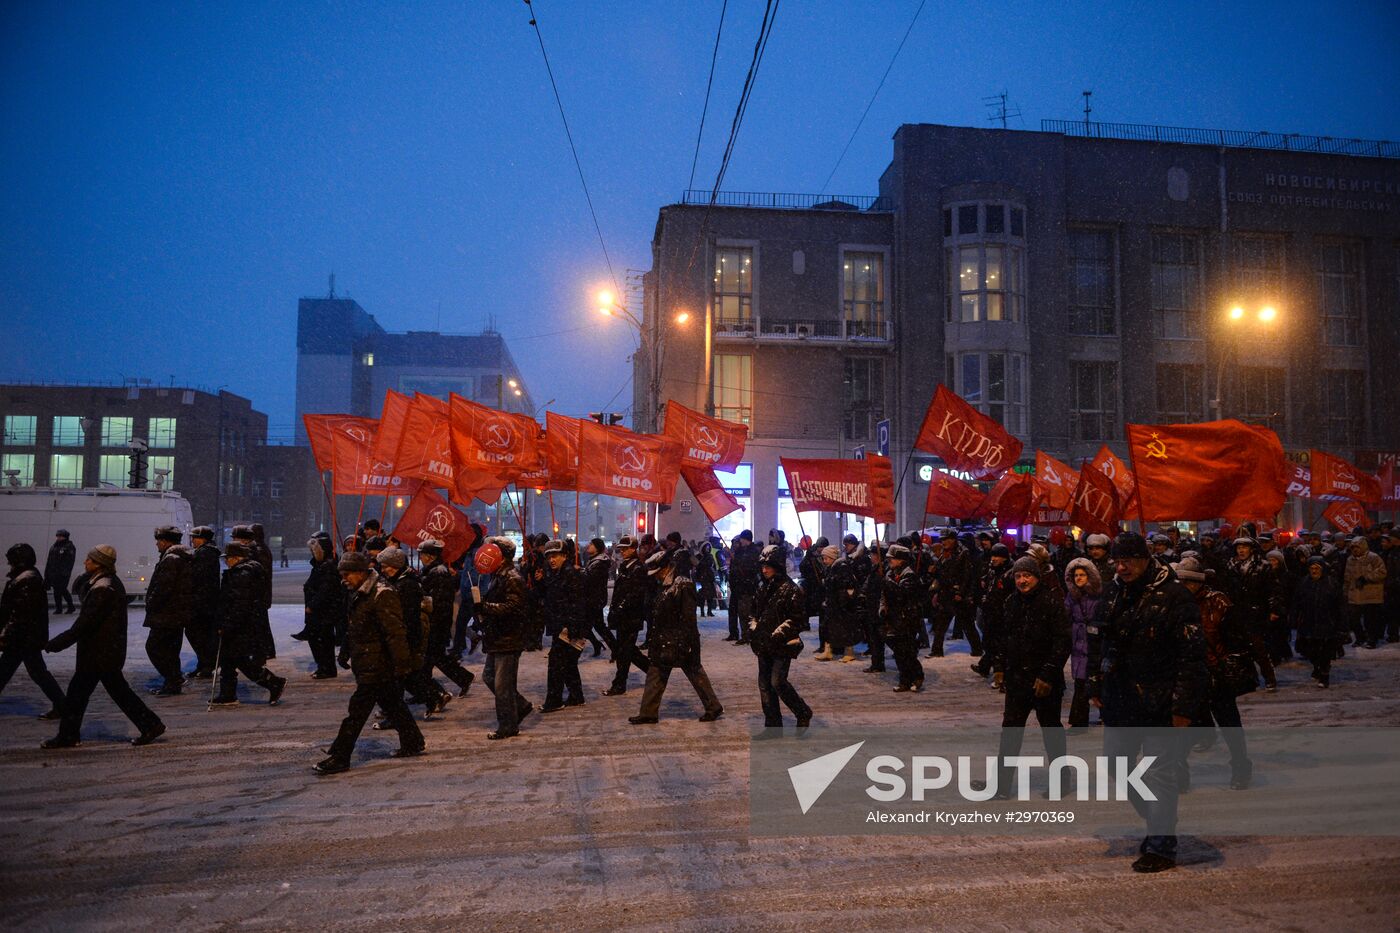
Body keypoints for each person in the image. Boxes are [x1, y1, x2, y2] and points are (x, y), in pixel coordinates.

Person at [1088, 532, 1208, 873]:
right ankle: (1156, 816)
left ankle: (1161, 844)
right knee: (1116, 765)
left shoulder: (1174, 596)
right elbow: (1098, 640)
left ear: (1145, 559)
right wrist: (1095, 681)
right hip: (1120, 698)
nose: (1122, 568)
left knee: (1159, 774)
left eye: (1128, 561)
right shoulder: (1112, 592)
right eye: (1117, 561)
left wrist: (1183, 706)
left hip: (1160, 700)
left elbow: (1192, 656)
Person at [40, 545, 165, 748]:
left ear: (99, 564)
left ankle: (69, 736)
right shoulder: (105, 584)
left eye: (89, 559)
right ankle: (150, 724)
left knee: (79, 695)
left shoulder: (103, 588)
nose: (85, 562)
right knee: (110, 693)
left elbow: (85, 623)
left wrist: (57, 643)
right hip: (104, 651)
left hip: (99, 652)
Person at [314, 550, 424, 775]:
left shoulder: (381, 594)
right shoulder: (358, 592)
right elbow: (355, 627)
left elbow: (395, 633)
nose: (344, 579)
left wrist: (403, 665)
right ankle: (413, 741)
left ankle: (341, 756)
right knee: (393, 705)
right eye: (342, 575)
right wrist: (345, 652)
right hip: (366, 660)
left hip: (378, 664)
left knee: (356, 713)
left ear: (362, 572)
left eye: (347, 574)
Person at [990, 555, 1071, 799]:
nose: (1022, 580)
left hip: (1044, 681)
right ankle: (1002, 786)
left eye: (1027, 576)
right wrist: (1000, 666)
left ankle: (1061, 782)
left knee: (1051, 732)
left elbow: (1062, 642)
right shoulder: (1011, 603)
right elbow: (1004, 637)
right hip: (1017, 680)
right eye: (1018, 576)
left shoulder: (1052, 602)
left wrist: (1047, 674)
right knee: (1011, 732)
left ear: (1037, 577)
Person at [1173, 556, 1251, 789]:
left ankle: (1240, 768)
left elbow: (1236, 638)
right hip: (1189, 676)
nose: (1186, 586)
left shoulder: (1218, 602)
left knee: (1230, 726)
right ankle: (1179, 772)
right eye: (1182, 581)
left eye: (1190, 581)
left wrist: (1227, 664)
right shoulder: (1174, 605)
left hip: (1217, 674)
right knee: (1184, 727)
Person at [630, 548, 723, 724]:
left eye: (658, 572)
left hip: (680, 640)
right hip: (663, 639)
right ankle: (648, 712)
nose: (655, 576)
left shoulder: (683, 585)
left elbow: (688, 618)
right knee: (656, 673)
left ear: (667, 568)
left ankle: (713, 706)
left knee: (695, 673)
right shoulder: (665, 585)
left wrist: (685, 642)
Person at [209, 542, 287, 708]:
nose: (226, 562)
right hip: (242, 624)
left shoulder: (242, 574)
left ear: (236, 558)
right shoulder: (242, 572)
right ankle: (228, 694)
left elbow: (239, 604)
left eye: (228, 559)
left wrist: (227, 624)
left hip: (240, 626)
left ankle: (272, 682)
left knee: (238, 660)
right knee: (230, 660)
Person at [377, 546, 450, 719]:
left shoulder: (407, 585)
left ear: (395, 565)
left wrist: (405, 639)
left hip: (407, 636)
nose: (383, 570)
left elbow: (408, 616)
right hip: (403, 636)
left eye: (385, 566)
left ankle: (395, 713)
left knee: (401, 676)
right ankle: (434, 697)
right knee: (408, 676)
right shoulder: (400, 581)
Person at [475, 537, 534, 739]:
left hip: (509, 638)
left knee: (502, 685)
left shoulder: (512, 577)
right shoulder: (498, 575)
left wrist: (486, 607)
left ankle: (508, 725)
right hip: (498, 637)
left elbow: (514, 608)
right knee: (490, 678)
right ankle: (521, 705)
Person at [0, 543, 66, 718]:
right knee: (35, 673)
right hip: (26, 637)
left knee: (28, 672)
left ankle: (62, 705)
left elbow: (19, 614)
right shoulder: (26, 579)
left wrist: (6, 633)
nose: (9, 564)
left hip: (23, 638)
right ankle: (61, 704)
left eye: (11, 561)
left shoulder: (27, 581)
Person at [749, 544, 812, 727]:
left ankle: (802, 711)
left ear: (777, 566)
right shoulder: (762, 589)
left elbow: (797, 618)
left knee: (777, 682)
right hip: (763, 643)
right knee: (765, 685)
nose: (765, 569)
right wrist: (754, 629)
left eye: (768, 566)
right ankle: (773, 723)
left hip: (782, 644)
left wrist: (777, 633)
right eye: (763, 566)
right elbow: (753, 614)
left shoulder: (790, 590)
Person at [418, 539, 476, 697]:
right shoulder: (432, 571)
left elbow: (440, 602)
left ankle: (431, 692)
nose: (420, 557)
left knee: (430, 658)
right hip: (436, 621)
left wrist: (435, 621)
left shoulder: (438, 573)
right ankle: (428, 690)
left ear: (430, 556)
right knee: (434, 657)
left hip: (436, 622)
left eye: (422, 554)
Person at [1221, 535, 1277, 691]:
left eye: (1244, 547)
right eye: (1239, 548)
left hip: (1256, 612)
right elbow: (1225, 588)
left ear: (1251, 549)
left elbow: (1272, 590)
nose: (1241, 550)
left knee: (1259, 649)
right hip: (1236, 613)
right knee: (1239, 649)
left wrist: (1273, 609)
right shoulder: (1229, 566)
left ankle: (1269, 678)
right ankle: (1247, 679)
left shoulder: (1263, 566)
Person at [144, 526, 193, 696]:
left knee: (155, 648)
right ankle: (172, 683)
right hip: (175, 614)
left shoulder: (171, 559)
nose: (157, 544)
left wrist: (151, 603)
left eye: (158, 541)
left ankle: (173, 679)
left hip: (167, 614)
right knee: (170, 650)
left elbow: (163, 588)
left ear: (165, 542)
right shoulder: (181, 557)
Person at [540, 539, 587, 713]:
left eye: (555, 556)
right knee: (567, 663)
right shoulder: (555, 574)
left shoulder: (571, 574)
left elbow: (577, 603)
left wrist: (571, 627)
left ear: (564, 556)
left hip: (567, 628)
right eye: (549, 557)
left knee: (556, 664)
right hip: (560, 626)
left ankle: (554, 700)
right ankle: (576, 696)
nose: (552, 560)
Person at [603, 535, 651, 696]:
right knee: (628, 651)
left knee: (625, 652)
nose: (622, 552)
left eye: (625, 549)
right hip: (623, 616)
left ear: (633, 549)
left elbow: (634, 595)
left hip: (631, 616)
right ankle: (653, 671)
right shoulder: (625, 567)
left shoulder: (638, 568)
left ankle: (619, 684)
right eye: (621, 549)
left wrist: (621, 608)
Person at [1063, 557, 1102, 730]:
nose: (1078, 578)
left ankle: (1106, 715)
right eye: (1076, 575)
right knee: (1080, 684)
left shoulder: (1098, 596)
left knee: (1097, 682)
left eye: (1082, 575)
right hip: (1078, 644)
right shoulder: (1071, 597)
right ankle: (1079, 721)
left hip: (1094, 643)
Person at [881, 544, 926, 692]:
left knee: (907, 651)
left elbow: (902, 594)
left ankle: (917, 676)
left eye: (892, 558)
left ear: (901, 560)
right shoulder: (890, 573)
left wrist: (888, 584)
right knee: (899, 652)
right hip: (895, 618)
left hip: (908, 618)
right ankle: (904, 680)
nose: (889, 561)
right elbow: (886, 595)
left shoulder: (909, 575)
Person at [930, 529, 979, 657]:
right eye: (942, 540)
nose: (944, 542)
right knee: (941, 624)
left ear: (953, 539)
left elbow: (967, 576)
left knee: (967, 624)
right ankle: (936, 650)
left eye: (946, 539)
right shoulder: (943, 553)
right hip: (946, 593)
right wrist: (934, 571)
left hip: (957, 594)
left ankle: (977, 648)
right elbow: (942, 574)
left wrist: (961, 593)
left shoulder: (963, 553)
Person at [303, 532, 344, 679]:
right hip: (320, 611)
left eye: (315, 551)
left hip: (323, 611)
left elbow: (326, 590)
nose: (313, 553)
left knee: (323, 640)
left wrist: (313, 605)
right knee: (319, 639)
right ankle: (324, 667)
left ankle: (326, 668)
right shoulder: (320, 565)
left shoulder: (328, 567)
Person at [972, 544, 1013, 682]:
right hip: (990, 613)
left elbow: (1006, 595)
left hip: (1001, 615)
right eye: (993, 556)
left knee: (998, 646)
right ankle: (985, 667)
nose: (994, 559)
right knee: (990, 643)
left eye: (997, 556)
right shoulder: (992, 571)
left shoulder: (1009, 573)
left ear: (1004, 558)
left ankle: (999, 674)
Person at [186, 526, 221, 679]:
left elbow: (198, 578)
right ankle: (204, 664)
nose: (192, 540)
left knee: (199, 634)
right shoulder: (206, 552)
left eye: (195, 537)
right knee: (200, 634)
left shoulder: (205, 553)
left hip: (203, 602)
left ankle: (207, 664)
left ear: (203, 539)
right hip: (205, 601)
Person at [821, 545, 863, 664]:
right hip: (834, 603)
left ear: (832, 557)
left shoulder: (841, 567)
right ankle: (828, 650)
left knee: (845, 627)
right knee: (830, 627)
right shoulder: (832, 568)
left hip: (842, 604)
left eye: (826, 558)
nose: (824, 561)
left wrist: (843, 600)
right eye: (823, 558)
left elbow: (847, 586)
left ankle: (849, 652)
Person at [1343, 536, 1388, 649]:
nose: (1355, 550)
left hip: (1370, 594)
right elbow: (1347, 577)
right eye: (1353, 548)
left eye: (1357, 547)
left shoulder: (1373, 557)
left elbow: (1382, 572)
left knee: (1370, 620)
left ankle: (1371, 640)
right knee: (1354, 619)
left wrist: (1367, 577)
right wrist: (1345, 591)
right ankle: (1360, 638)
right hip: (1355, 594)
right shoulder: (1350, 559)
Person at [582, 538, 615, 658]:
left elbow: (591, 579)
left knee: (593, 627)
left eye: (591, 544)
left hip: (594, 599)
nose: (588, 546)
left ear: (597, 548)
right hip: (591, 598)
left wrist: (578, 572)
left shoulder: (599, 563)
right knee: (596, 626)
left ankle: (614, 648)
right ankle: (603, 645)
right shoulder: (594, 561)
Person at [726, 530, 760, 644]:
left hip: (748, 587)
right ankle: (743, 634)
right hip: (739, 586)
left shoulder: (753, 551)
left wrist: (741, 565)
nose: (740, 541)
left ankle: (749, 636)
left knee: (747, 612)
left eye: (742, 538)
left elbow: (752, 568)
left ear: (746, 539)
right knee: (741, 612)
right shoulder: (741, 551)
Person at [45, 529, 77, 614]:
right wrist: (47, 572)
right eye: (58, 536)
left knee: (62, 589)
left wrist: (65, 572)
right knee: (57, 590)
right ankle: (60, 608)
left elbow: (69, 561)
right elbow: (49, 560)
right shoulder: (54, 547)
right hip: (53, 573)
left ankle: (70, 606)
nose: (58, 538)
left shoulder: (69, 547)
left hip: (63, 574)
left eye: (60, 536)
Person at [695, 541, 719, 619]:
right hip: (701, 578)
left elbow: (711, 565)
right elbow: (697, 566)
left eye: (709, 548)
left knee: (710, 596)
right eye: (706, 548)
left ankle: (709, 611)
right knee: (702, 596)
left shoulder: (710, 556)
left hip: (709, 577)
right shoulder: (698, 556)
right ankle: (702, 611)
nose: (708, 549)